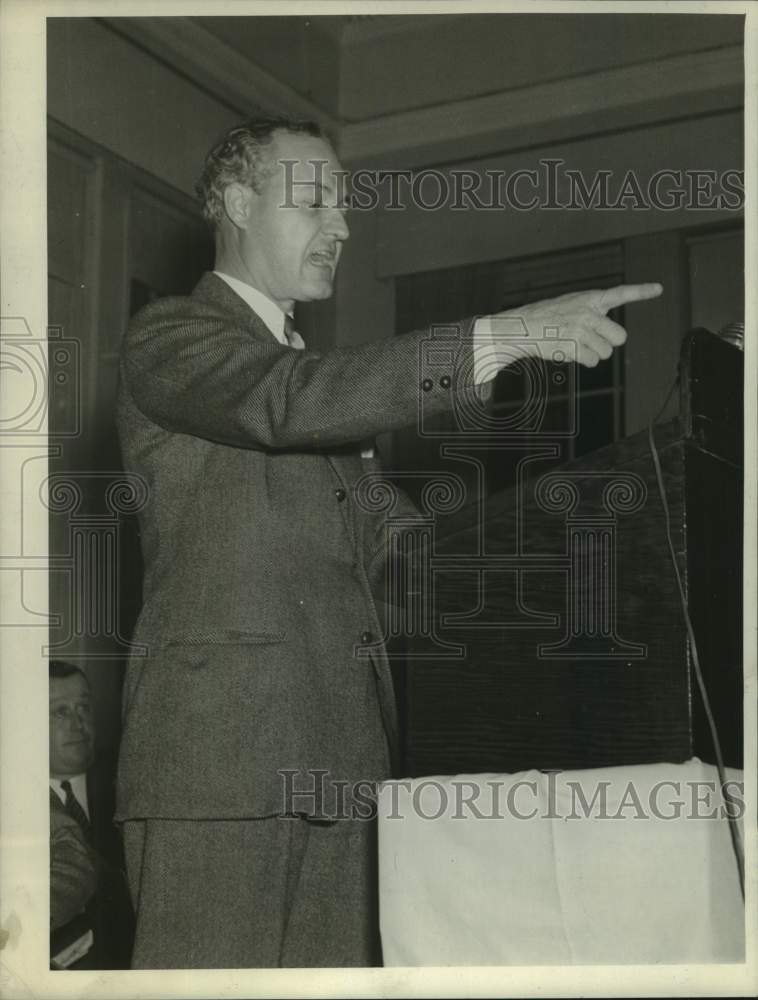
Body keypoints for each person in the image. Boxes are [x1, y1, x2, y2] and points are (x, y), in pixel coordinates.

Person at [115, 114, 662, 968]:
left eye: (345, 204)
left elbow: (411, 562)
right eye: (315, 200)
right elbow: (288, 403)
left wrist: (590, 549)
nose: (341, 224)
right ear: (236, 203)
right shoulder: (172, 338)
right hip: (217, 771)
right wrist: (504, 335)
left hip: (347, 765)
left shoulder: (319, 387)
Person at [49, 661, 134, 968]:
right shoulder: (16, 806)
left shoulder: (129, 785)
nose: (78, 723)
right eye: (60, 711)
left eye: (83, 706)